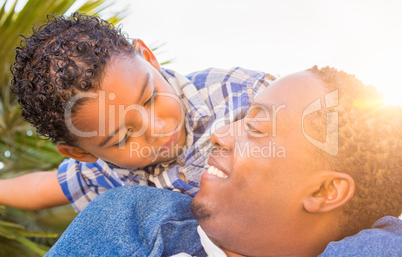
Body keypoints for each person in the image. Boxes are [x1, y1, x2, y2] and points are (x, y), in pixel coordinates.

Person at [46, 66, 402, 256]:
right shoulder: (131, 219)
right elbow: (55, 183)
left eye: (257, 128)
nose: (219, 133)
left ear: (326, 190)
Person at [0, 12, 276, 212]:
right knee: (113, 215)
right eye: (123, 138)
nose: (156, 129)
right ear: (82, 153)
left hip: (292, 225)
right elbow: (41, 188)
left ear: (149, 58)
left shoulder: (237, 93)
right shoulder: (104, 169)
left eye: (150, 98)